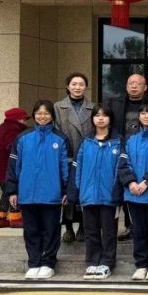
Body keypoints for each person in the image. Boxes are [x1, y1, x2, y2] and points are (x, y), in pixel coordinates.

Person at [5, 100, 69, 280]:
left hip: (52, 195)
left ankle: (48, 263)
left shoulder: (60, 139)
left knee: (51, 230)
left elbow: (65, 167)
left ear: (52, 116)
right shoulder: (22, 138)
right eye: (39, 113)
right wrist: (12, 190)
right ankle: (34, 263)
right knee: (31, 230)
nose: (43, 116)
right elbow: (13, 167)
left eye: (46, 113)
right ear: (34, 115)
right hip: (27, 193)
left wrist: (66, 190)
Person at [67, 104, 122, 281]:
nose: (100, 118)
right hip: (88, 195)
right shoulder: (86, 142)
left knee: (109, 232)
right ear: (92, 119)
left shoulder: (118, 142)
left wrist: (116, 192)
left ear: (110, 119)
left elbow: (120, 170)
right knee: (91, 231)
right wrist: (78, 190)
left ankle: (107, 263)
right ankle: (92, 261)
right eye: (97, 115)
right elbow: (77, 167)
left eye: (104, 115)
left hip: (109, 197)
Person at [117, 99, 148, 281]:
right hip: (134, 195)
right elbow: (123, 163)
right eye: (143, 113)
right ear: (139, 116)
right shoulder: (131, 139)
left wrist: (146, 182)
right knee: (138, 231)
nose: (147, 116)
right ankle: (141, 264)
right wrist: (131, 183)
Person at [53, 72, 93, 245]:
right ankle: (68, 227)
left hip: (87, 155)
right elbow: (55, 131)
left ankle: (83, 226)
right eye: (74, 84)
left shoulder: (93, 107)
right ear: (68, 86)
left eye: (81, 84)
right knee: (66, 191)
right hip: (66, 154)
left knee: (84, 190)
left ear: (86, 87)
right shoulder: (58, 107)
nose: (77, 87)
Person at [109, 73, 148, 242]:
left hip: (146, 150)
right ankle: (129, 225)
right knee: (126, 185)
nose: (134, 86)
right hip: (122, 149)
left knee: (145, 185)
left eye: (138, 83)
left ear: (145, 87)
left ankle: (146, 226)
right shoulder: (115, 104)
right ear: (126, 86)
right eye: (130, 83)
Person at [0, 107, 29, 229]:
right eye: (23, 119)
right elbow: (12, 147)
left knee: (6, 193)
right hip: (7, 169)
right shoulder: (12, 129)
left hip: (0, 168)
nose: (25, 122)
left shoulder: (2, 128)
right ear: (17, 119)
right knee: (14, 191)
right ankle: (16, 217)